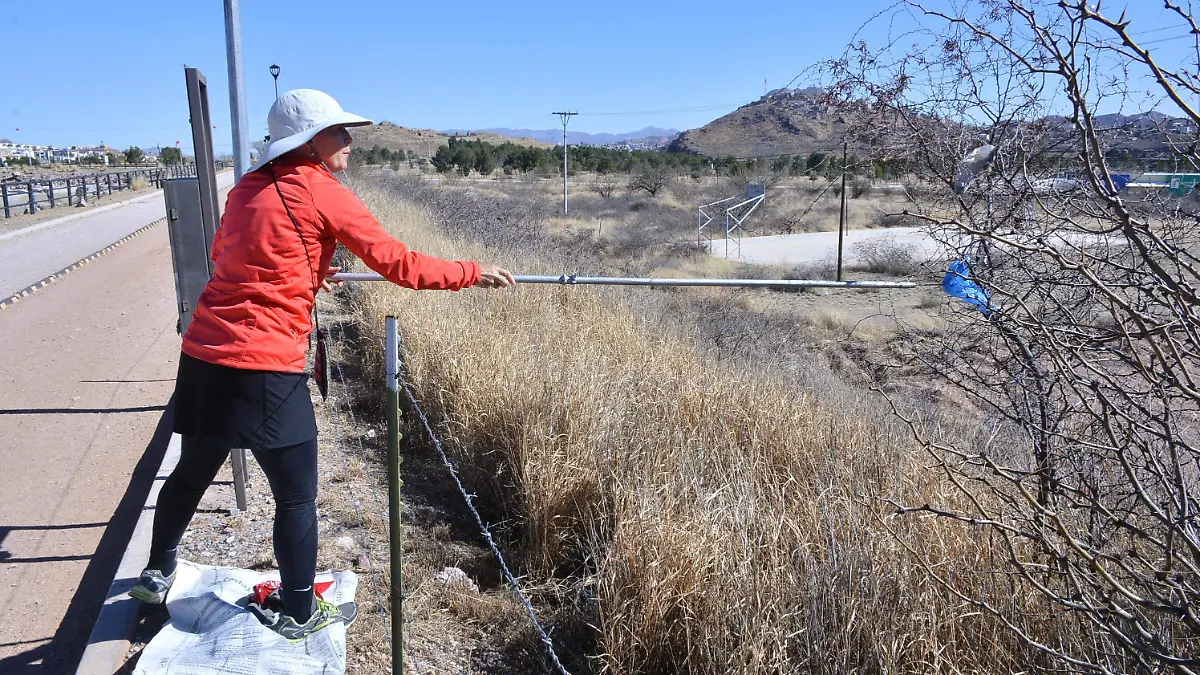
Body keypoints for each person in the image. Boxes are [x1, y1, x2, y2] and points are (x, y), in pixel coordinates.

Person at [129, 89, 515, 641]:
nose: (349, 141)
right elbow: (399, 263)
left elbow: (231, 258)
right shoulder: (322, 189)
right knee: (295, 496)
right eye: (338, 131)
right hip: (266, 364)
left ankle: (157, 572)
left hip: (205, 355)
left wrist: (308, 270)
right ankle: (299, 611)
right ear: (309, 141)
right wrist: (471, 272)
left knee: (192, 471)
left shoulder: (247, 187)